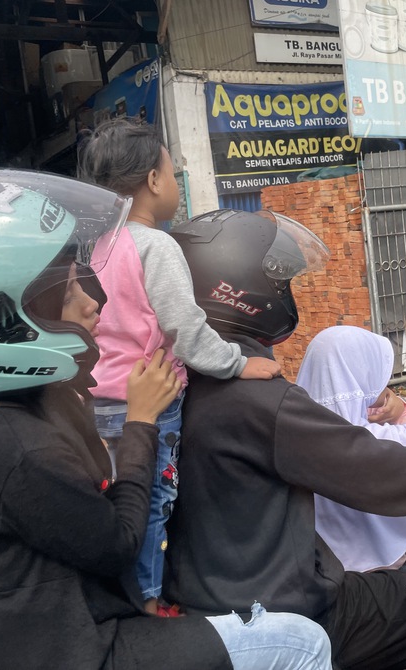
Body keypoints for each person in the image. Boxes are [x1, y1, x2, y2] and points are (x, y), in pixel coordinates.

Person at [0, 169, 332, 670]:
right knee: (302, 643)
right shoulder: (9, 443)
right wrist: (141, 420)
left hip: (22, 627)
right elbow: (119, 544)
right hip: (60, 647)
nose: (90, 302)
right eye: (64, 293)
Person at [163, 209, 406, 670]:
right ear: (245, 292)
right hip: (283, 606)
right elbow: (376, 470)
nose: (286, 293)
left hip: (206, 595)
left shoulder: (180, 382)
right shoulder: (259, 399)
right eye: (281, 283)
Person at [76, 118, 282, 614]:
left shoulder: (98, 246)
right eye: (171, 172)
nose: (174, 182)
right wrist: (236, 364)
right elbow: (183, 328)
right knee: (153, 500)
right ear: (153, 180)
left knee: (117, 494)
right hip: (152, 398)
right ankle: (147, 601)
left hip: (101, 399)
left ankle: (117, 592)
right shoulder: (156, 245)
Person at [295, 325, 406, 573]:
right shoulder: (369, 439)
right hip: (371, 572)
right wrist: (399, 409)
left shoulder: (293, 429)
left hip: (312, 567)